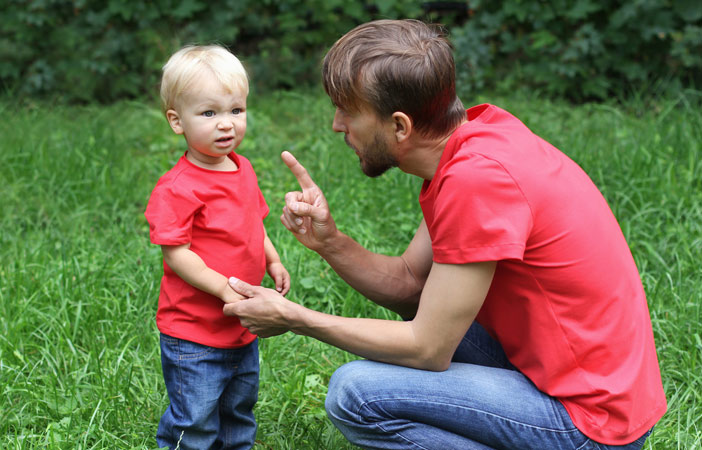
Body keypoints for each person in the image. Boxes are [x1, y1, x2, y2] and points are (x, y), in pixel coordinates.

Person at [222, 19, 666, 449]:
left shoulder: (477, 181)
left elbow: (428, 348)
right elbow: (413, 285)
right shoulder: (474, 144)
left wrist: (295, 318)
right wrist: (330, 243)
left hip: (591, 422)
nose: (338, 125)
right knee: (415, 327)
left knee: (354, 393)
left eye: (349, 111)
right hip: (580, 380)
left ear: (399, 126)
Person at [144, 44, 290, 450]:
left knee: (238, 412)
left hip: (242, 326)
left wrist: (273, 259)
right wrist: (224, 287)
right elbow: (177, 253)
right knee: (196, 421)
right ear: (177, 121)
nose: (226, 124)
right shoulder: (178, 187)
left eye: (235, 110)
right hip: (194, 332)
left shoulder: (242, 169)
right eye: (209, 113)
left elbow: (254, 225)